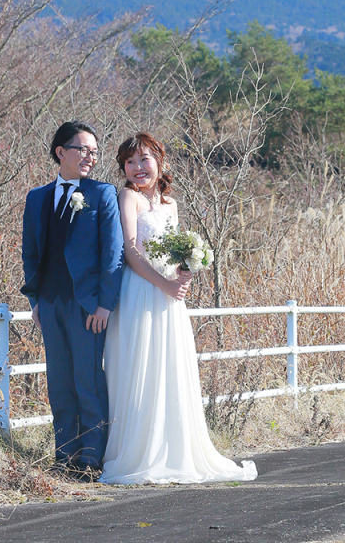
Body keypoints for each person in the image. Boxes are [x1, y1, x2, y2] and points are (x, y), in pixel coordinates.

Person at [99, 131, 257, 485]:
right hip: (140, 292)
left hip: (170, 296)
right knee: (140, 366)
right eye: (129, 162)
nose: (137, 168)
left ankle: (174, 451)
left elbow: (174, 248)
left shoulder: (170, 204)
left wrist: (185, 270)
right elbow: (130, 251)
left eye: (144, 159)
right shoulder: (128, 197)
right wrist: (165, 283)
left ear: (160, 161)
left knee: (169, 366)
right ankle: (139, 452)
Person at [21, 120, 124, 475]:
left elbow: (113, 253)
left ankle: (91, 459)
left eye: (94, 152)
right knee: (59, 383)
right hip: (50, 304)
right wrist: (35, 301)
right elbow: (30, 254)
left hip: (88, 305)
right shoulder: (37, 198)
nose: (90, 157)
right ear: (61, 152)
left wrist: (105, 303)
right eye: (83, 150)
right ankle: (64, 456)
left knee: (88, 380)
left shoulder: (102, 193)